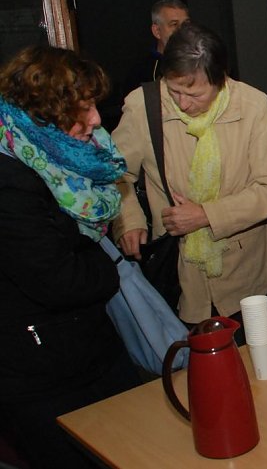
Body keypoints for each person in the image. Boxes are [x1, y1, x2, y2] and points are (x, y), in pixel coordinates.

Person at [0, 45, 141, 468]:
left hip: (91, 350)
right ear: (44, 116)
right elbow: (63, 282)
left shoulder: (68, 156)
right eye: (83, 110)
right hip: (39, 376)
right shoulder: (9, 182)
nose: (97, 120)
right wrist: (108, 263)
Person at [111, 22, 267, 336]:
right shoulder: (144, 106)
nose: (182, 103)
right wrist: (131, 218)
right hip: (178, 271)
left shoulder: (252, 106)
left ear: (220, 79)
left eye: (194, 94)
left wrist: (206, 214)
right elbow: (115, 173)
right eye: (175, 90)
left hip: (248, 268)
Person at [121, 0, 190, 100]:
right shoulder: (142, 74)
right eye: (174, 24)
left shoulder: (203, 62)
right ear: (157, 31)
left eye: (186, 24)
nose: (182, 30)